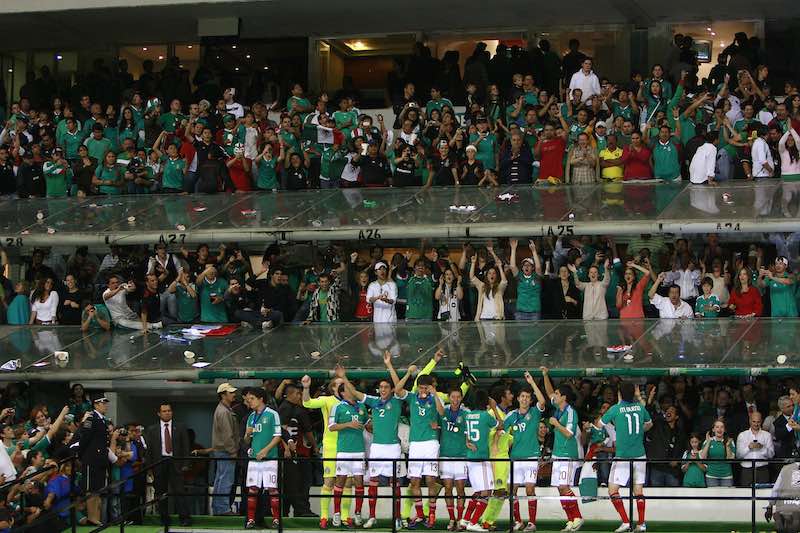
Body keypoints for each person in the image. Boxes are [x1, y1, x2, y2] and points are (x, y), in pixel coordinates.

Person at [342, 358, 414, 529]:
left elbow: (399, 387)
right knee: (373, 482)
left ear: (390, 390)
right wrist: (344, 377)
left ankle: (397, 518)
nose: (383, 390)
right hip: (377, 448)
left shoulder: (396, 400)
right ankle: (372, 516)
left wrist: (390, 365)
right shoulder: (374, 401)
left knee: (394, 484)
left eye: (386, 387)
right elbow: (355, 392)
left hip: (393, 448)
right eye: (381, 387)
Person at [392, 361, 445, 528]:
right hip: (415, 444)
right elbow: (397, 390)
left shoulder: (435, 398)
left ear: (429, 387)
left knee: (430, 480)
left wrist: (434, 393)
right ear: (418, 388)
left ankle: (432, 516)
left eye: (425, 388)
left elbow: (442, 412)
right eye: (421, 387)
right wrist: (408, 374)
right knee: (414, 481)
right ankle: (421, 515)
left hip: (430, 443)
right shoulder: (412, 397)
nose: (422, 390)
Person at [595, 382, 653, 533]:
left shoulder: (615, 409)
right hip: (640, 454)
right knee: (638, 490)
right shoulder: (640, 408)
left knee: (613, 490)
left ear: (619, 394)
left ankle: (626, 521)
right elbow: (649, 424)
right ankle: (641, 524)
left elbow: (599, 425)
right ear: (634, 394)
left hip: (622, 456)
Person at [302, 368, 346, 529]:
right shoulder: (326, 400)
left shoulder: (352, 401)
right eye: (340, 385)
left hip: (348, 447)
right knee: (329, 482)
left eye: (344, 385)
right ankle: (324, 517)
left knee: (347, 483)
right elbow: (307, 403)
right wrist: (306, 388)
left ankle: (345, 517)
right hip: (331, 447)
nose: (343, 389)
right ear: (333, 388)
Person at [541, 367, 584, 531]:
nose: (554, 396)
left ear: (564, 397)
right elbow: (549, 391)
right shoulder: (559, 408)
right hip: (558, 454)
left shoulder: (571, 412)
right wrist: (546, 375)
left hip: (567, 454)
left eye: (557, 395)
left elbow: (569, 434)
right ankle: (571, 519)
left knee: (564, 487)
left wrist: (556, 424)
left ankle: (577, 517)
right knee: (560, 487)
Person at [504, 372, 546, 532]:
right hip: (515, 457)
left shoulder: (534, 413)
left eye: (527, 397)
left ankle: (532, 523)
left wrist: (532, 383)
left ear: (530, 399)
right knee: (512, 491)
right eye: (522, 396)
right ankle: (518, 521)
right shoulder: (511, 415)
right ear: (518, 398)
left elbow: (542, 401)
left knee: (530, 489)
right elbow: (500, 428)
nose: (524, 399)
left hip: (531, 456)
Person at [328, 378, 369, 528]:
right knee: (340, 481)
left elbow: (366, 424)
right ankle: (337, 514)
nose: (352, 390)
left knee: (359, 482)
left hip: (359, 451)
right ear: (343, 393)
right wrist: (348, 424)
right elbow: (331, 427)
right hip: (344, 451)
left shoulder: (362, 407)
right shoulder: (338, 407)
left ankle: (358, 513)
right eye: (349, 389)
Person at [460, 389, 502, 533]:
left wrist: (467, 442)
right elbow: (500, 425)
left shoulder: (468, 415)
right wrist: (494, 408)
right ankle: (473, 522)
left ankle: (465, 520)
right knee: (487, 492)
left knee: (478, 492)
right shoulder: (485, 416)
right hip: (481, 458)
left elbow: (466, 435)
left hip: (471, 458)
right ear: (486, 402)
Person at [144, 402, 191, 527]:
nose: (167, 413)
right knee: (161, 492)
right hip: (160, 463)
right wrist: (149, 468)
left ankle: (184, 518)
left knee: (179, 491)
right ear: (159, 413)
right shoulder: (152, 429)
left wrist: (186, 463)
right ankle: (164, 518)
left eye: (169, 410)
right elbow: (149, 450)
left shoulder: (180, 427)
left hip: (176, 463)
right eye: (164, 411)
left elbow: (186, 447)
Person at [243, 387, 282, 530]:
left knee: (272, 489)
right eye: (248, 400)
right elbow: (246, 441)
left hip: (270, 459)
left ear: (261, 399)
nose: (249, 402)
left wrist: (265, 451)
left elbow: (278, 436)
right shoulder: (251, 417)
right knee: (252, 490)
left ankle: (276, 520)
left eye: (252, 399)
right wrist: (247, 435)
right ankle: (251, 520)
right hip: (253, 459)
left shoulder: (272, 414)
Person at [73, 392, 111, 527]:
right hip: (91, 458)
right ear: (96, 404)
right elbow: (85, 437)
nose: (105, 405)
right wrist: (83, 454)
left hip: (99, 459)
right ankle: (92, 517)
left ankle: (95, 516)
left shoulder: (102, 419)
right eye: (103, 403)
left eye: (106, 403)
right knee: (91, 488)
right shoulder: (91, 417)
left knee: (97, 489)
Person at [211, 383, 240, 516]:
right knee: (226, 479)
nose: (233, 394)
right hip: (226, 450)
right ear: (223, 395)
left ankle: (218, 507)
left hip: (222, 449)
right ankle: (222, 508)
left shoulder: (223, 409)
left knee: (220, 478)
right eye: (230, 392)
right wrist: (233, 451)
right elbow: (227, 435)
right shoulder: (223, 411)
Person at [735, 411, 774, 486]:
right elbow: (738, 455)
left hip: (762, 469)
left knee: (763, 494)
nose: (756, 424)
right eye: (754, 421)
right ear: (750, 421)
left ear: (761, 421)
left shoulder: (767, 435)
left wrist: (762, 448)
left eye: (758, 422)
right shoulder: (742, 435)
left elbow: (771, 455)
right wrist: (748, 447)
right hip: (747, 470)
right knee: (746, 494)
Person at [509, 239, 542, 320]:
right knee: (521, 332)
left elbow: (538, 267)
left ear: (532, 268)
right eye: (524, 265)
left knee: (535, 333)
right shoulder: (520, 277)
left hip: (534, 312)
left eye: (529, 265)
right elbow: (512, 266)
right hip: (520, 311)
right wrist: (513, 249)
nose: (526, 267)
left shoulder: (536, 277)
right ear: (522, 268)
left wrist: (534, 251)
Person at [700, 419, 736, 487]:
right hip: (711, 476)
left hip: (726, 476)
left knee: (726, 497)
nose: (719, 429)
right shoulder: (707, 441)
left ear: (724, 429)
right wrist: (708, 442)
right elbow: (702, 458)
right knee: (713, 497)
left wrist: (727, 446)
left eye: (722, 427)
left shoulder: (730, 441)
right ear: (713, 429)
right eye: (717, 427)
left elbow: (730, 460)